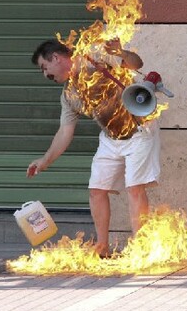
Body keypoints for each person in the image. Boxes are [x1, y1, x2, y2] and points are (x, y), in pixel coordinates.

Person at [27, 38, 161, 257]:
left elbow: (137, 64)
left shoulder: (96, 58)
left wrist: (122, 52)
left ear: (56, 58)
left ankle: (141, 249)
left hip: (139, 131)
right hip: (110, 139)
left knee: (135, 188)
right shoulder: (69, 95)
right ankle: (102, 246)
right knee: (96, 190)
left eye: (45, 68)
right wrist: (45, 161)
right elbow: (64, 132)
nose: (46, 75)